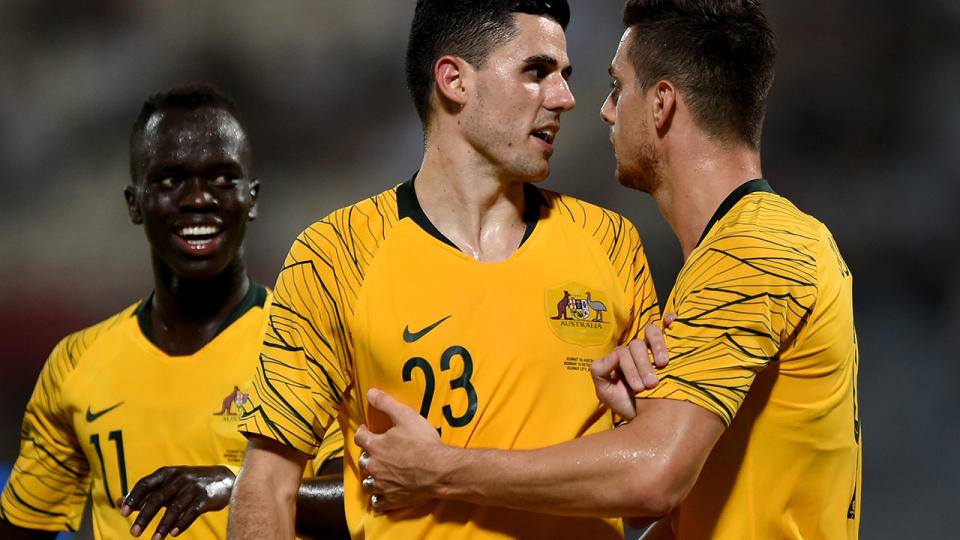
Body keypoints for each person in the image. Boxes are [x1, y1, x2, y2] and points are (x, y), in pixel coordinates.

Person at [353, 1, 862, 539]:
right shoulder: (747, 247)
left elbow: (653, 474)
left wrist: (438, 470)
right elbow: (693, 498)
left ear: (662, 104)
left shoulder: (753, 248)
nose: (603, 110)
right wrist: (645, 417)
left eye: (618, 88)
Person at [228, 1, 666, 539]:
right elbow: (268, 484)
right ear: (454, 80)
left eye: (565, 76)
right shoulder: (335, 254)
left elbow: (655, 477)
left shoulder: (610, 241)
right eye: (537, 72)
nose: (565, 98)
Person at [0, 84, 348, 540]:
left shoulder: (304, 345)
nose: (198, 198)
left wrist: (240, 486)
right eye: (170, 180)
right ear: (134, 204)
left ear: (253, 198)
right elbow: (24, 529)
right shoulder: (75, 365)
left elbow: (366, 503)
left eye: (223, 177)